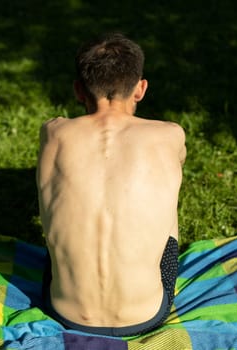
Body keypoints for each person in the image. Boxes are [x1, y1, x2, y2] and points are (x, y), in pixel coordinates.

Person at [36, 32, 186, 337]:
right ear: (141, 89)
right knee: (166, 204)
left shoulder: (53, 133)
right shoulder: (170, 135)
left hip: (64, 311)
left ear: (79, 90)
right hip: (147, 314)